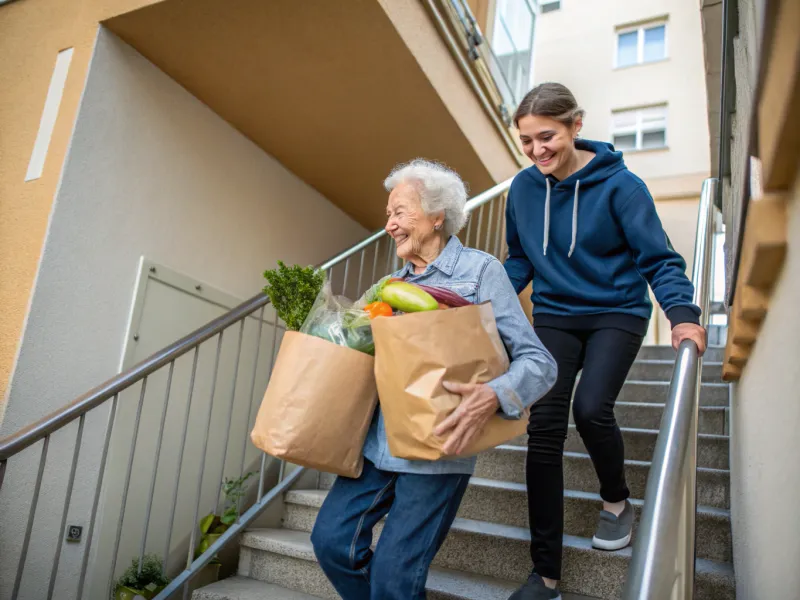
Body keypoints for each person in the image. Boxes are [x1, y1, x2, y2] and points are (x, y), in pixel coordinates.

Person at [310, 159, 557, 600]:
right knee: (331, 543)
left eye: (400, 212)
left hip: (439, 449)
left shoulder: (481, 273)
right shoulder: (388, 284)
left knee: (393, 579)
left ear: (437, 215)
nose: (389, 225)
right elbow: (356, 350)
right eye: (389, 215)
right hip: (375, 445)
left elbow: (539, 362)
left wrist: (493, 395)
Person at [503, 83, 707, 600]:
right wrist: (477, 300)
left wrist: (681, 314)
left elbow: (657, 259)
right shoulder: (524, 190)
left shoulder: (622, 187)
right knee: (544, 424)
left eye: (546, 136)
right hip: (554, 313)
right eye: (526, 141)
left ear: (575, 125)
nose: (536, 151)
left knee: (592, 407)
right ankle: (544, 574)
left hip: (616, 310)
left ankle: (616, 499)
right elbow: (520, 260)